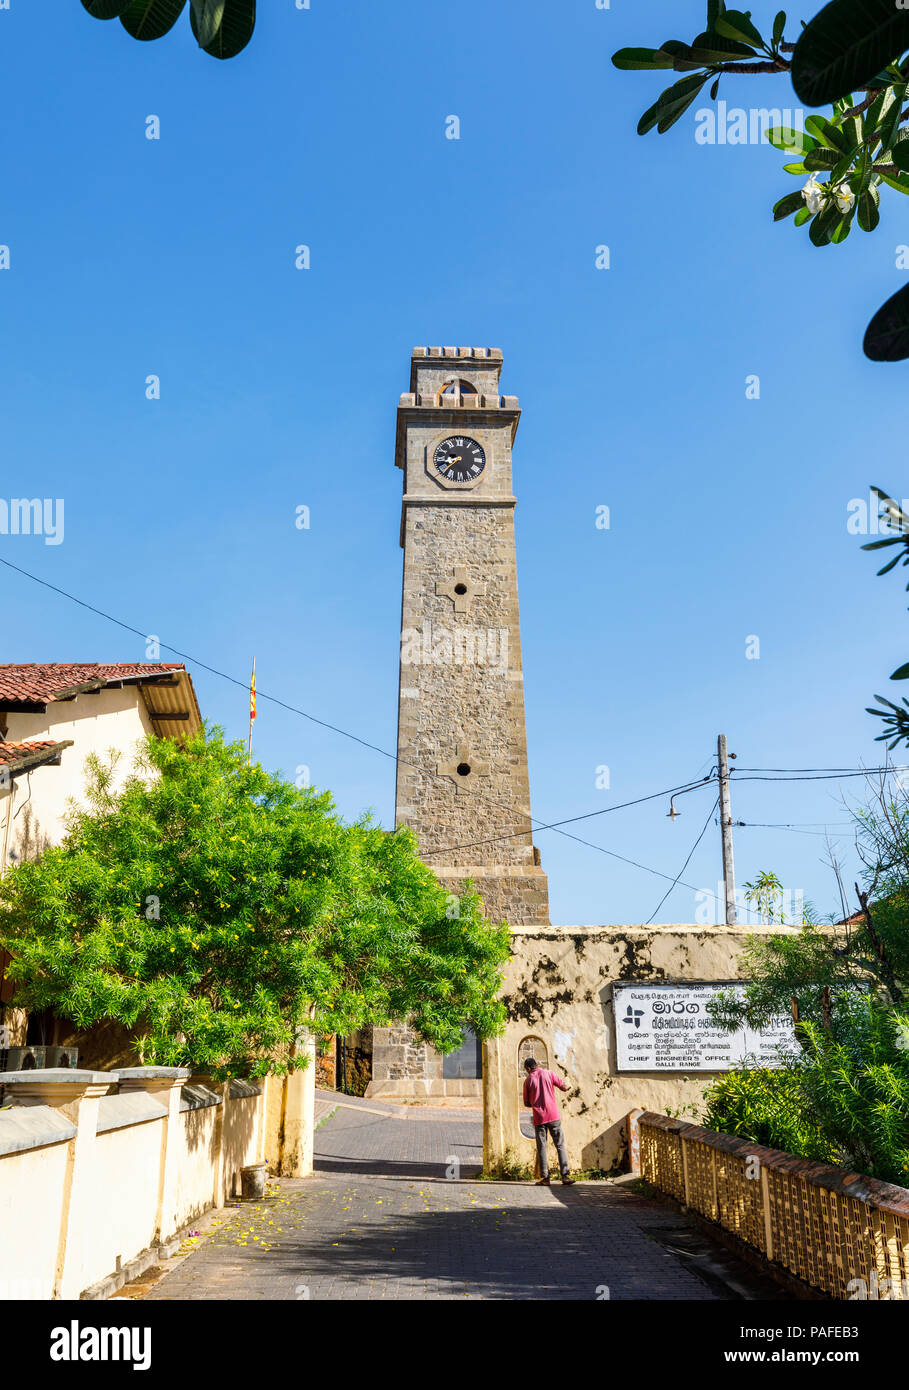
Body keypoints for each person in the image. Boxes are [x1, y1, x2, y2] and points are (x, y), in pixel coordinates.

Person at [522, 1056, 574, 1185]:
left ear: (528, 1068)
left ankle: (545, 1178)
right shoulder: (549, 1073)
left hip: (539, 1119)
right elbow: (563, 1087)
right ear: (536, 1064)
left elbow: (527, 1103)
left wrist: (536, 1102)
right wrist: (568, 1085)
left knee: (542, 1147)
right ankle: (565, 1176)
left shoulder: (528, 1080)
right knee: (560, 1145)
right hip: (554, 1116)